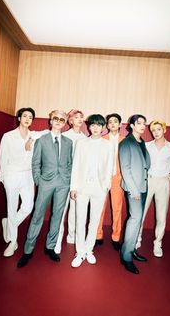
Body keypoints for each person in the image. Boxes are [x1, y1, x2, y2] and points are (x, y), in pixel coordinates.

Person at [17, 110, 73, 268]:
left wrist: (68, 180)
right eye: (55, 118)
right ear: (51, 121)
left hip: (63, 184)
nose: (58, 121)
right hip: (45, 182)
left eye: (61, 120)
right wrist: (39, 181)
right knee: (37, 216)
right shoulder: (42, 139)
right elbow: (35, 163)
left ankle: (50, 247)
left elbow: (69, 163)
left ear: (64, 123)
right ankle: (28, 250)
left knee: (57, 216)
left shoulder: (68, 142)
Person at [0, 107, 49, 257]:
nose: (28, 119)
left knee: (28, 206)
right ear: (19, 118)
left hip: (27, 175)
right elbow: (3, 158)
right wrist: (4, 178)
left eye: (30, 117)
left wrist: (32, 138)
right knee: (12, 208)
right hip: (12, 175)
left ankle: (9, 223)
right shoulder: (8, 136)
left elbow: (47, 132)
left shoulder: (33, 135)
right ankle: (12, 242)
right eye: (25, 116)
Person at [70, 114, 114, 268]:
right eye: (93, 125)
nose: (95, 128)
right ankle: (79, 251)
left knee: (94, 221)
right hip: (82, 187)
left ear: (103, 127)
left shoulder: (108, 145)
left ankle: (89, 250)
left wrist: (106, 186)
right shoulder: (81, 143)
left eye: (99, 125)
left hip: (99, 188)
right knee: (80, 219)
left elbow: (110, 168)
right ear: (88, 127)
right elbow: (75, 166)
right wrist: (73, 187)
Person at [136, 120, 170, 257]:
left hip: (163, 182)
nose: (156, 132)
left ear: (164, 130)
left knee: (161, 215)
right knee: (141, 212)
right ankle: (137, 239)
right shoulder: (147, 146)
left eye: (158, 129)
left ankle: (158, 244)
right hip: (148, 181)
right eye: (153, 130)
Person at [119, 114, 150, 274]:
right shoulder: (126, 143)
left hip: (144, 186)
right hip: (134, 189)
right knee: (135, 219)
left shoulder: (142, 142)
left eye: (144, 123)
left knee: (138, 220)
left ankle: (131, 249)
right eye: (139, 123)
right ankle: (126, 257)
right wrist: (134, 190)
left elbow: (146, 163)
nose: (143, 126)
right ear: (131, 125)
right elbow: (125, 169)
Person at [54, 109, 86, 254]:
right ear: (70, 121)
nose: (79, 119)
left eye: (81, 117)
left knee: (75, 210)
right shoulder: (64, 136)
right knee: (61, 209)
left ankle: (71, 236)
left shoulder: (86, 138)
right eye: (76, 117)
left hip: (78, 180)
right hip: (64, 178)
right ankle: (57, 239)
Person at [95, 113, 125, 251]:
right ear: (107, 125)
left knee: (117, 209)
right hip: (102, 178)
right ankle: (97, 235)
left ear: (120, 124)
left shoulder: (125, 141)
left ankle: (116, 237)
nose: (113, 123)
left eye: (115, 121)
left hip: (117, 179)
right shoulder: (102, 140)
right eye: (110, 122)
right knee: (99, 207)